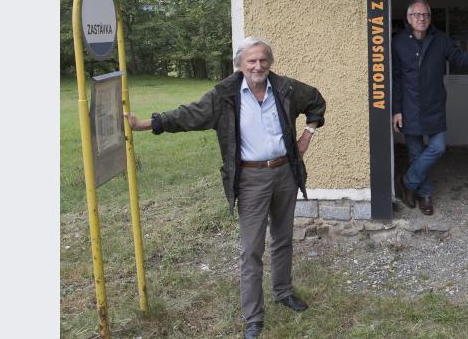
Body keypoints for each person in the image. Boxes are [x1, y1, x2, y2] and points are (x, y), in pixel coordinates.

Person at [126, 37, 326, 339]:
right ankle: (254, 316)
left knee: (283, 237)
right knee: (251, 249)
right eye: (251, 61)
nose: (258, 66)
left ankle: (283, 292)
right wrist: (144, 124)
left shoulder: (285, 87)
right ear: (239, 65)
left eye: (263, 60)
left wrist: (307, 135)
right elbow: (187, 115)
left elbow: (316, 101)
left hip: (285, 171)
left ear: (269, 62)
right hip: (250, 178)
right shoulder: (224, 95)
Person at [391, 0, 468, 215]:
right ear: (409, 18)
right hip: (409, 107)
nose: (421, 18)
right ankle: (425, 195)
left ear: (430, 17)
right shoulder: (398, 42)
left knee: (438, 147)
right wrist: (396, 110)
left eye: (425, 15)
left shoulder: (440, 39)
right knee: (416, 155)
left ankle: (407, 181)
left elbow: (459, 59)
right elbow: (396, 78)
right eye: (417, 15)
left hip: (434, 105)